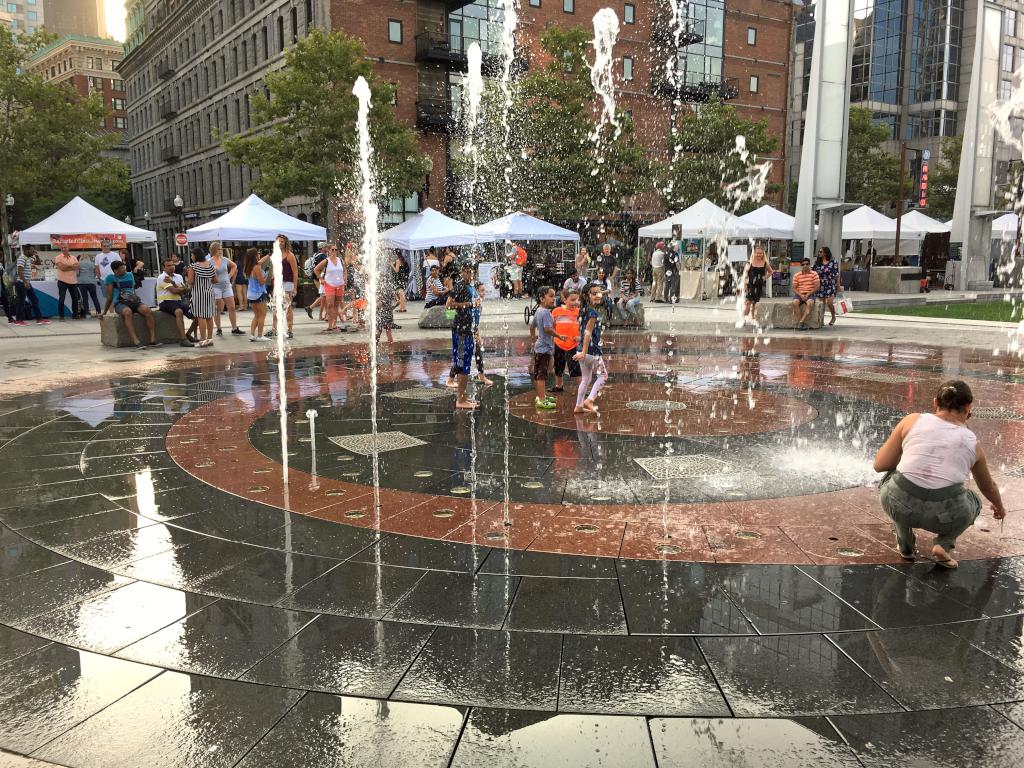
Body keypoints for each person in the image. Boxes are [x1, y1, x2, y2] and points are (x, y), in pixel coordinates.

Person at [873, 380, 1006, 569]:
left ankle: (905, 543)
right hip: (945, 515)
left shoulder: (912, 420)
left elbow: (880, 465)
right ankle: (944, 545)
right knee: (974, 501)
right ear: (968, 408)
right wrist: (999, 507)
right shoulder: (972, 442)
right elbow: (988, 487)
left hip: (900, 504)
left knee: (891, 476)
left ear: (935, 402)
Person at [101, 260, 157, 348]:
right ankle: (135, 340)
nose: (124, 269)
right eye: (122, 268)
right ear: (115, 271)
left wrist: (136, 300)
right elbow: (110, 296)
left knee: (147, 310)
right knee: (127, 312)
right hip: (119, 302)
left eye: (124, 267)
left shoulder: (130, 275)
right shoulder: (110, 278)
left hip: (132, 301)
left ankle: (153, 338)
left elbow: (132, 290)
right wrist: (104, 312)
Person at [447, 260, 478, 409]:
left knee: (465, 363)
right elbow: (449, 305)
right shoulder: (460, 285)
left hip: (465, 329)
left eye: (472, 272)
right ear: (463, 272)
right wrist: (469, 304)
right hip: (460, 331)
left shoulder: (465, 285)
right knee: (462, 363)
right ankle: (460, 400)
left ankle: (463, 397)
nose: (471, 275)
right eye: (469, 272)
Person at [574, 282, 608, 415]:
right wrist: (584, 351)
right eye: (594, 293)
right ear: (586, 296)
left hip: (583, 350)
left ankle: (578, 406)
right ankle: (590, 400)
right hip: (591, 352)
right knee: (603, 376)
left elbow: (582, 330)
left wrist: (580, 345)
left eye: (599, 292)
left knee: (586, 379)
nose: (598, 295)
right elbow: (588, 332)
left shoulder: (583, 309)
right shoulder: (593, 312)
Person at [205, 241, 244, 336]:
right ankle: (219, 328)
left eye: (221, 249)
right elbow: (207, 275)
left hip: (226, 286)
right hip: (215, 287)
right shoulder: (209, 261)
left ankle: (234, 328)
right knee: (218, 309)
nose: (221, 251)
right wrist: (214, 270)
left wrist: (229, 276)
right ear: (214, 250)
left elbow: (234, 266)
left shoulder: (224, 259)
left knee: (232, 307)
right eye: (219, 249)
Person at [156, 258, 197, 347]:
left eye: (173, 265)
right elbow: (175, 290)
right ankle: (183, 339)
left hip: (177, 301)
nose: (172, 267)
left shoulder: (178, 277)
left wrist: (175, 284)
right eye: (168, 266)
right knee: (179, 312)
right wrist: (182, 288)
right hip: (165, 302)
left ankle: (188, 334)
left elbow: (184, 291)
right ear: (164, 268)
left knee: (197, 314)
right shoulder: (162, 277)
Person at [530, 286, 558, 410]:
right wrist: (559, 336)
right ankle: (541, 400)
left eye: (554, 296)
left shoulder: (538, 310)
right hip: (545, 349)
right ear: (542, 298)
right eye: (551, 296)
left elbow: (532, 326)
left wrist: (533, 341)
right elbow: (548, 329)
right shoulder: (546, 313)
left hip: (538, 347)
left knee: (537, 374)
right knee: (542, 375)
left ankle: (540, 396)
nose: (554, 299)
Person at [551, 287, 582, 393]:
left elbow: (584, 329)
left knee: (575, 367)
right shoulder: (556, 312)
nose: (575, 302)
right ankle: (558, 385)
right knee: (558, 366)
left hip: (573, 345)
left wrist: (580, 337)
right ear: (565, 300)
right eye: (572, 300)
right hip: (559, 343)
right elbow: (552, 327)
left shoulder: (579, 312)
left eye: (577, 300)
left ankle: (580, 388)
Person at [267, 234, 298, 339]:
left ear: (285, 243)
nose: (280, 243)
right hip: (277, 283)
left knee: (288, 307)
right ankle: (274, 329)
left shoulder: (290, 255)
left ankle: (289, 330)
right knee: (275, 307)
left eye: (282, 241)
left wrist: (295, 287)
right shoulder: (275, 254)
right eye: (278, 241)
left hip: (287, 283)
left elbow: (295, 272)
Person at [187, 245, 218, 347]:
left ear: (195, 255)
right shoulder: (210, 266)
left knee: (201, 317)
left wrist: (188, 277)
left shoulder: (193, 267)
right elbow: (215, 280)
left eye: (192, 255)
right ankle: (210, 339)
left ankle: (203, 339)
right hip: (209, 293)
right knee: (209, 316)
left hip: (198, 294)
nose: (191, 257)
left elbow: (191, 281)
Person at [314, 243, 346, 332]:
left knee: (336, 305)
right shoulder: (326, 261)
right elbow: (316, 269)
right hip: (329, 285)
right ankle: (330, 325)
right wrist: (321, 279)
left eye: (336, 250)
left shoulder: (340, 260)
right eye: (332, 249)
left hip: (340, 284)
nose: (334, 251)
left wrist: (345, 279)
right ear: (329, 250)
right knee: (329, 304)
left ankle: (335, 324)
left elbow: (344, 270)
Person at [244, 247, 271, 341]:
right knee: (262, 315)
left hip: (251, 294)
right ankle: (260, 336)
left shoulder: (249, 266)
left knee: (256, 315)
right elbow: (262, 282)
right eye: (258, 253)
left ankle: (252, 335)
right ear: (255, 256)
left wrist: (268, 255)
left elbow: (261, 261)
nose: (259, 255)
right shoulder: (257, 267)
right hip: (259, 293)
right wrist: (267, 272)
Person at [15, 247, 47, 324]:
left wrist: (37, 255)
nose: (33, 251)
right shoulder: (22, 258)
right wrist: (25, 282)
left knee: (34, 300)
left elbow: (38, 263)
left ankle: (39, 319)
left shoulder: (28, 258)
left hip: (27, 283)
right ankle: (19, 320)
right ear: (26, 250)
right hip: (22, 283)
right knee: (21, 302)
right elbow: (19, 271)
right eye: (32, 250)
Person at [743, 244, 773, 323]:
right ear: (754, 253)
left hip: (758, 285)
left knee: (754, 303)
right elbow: (745, 275)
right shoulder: (749, 262)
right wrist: (745, 285)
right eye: (757, 253)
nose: (759, 255)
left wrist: (764, 278)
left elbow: (771, 272)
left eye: (760, 253)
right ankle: (744, 318)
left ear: (763, 254)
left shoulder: (765, 263)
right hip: (750, 285)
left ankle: (753, 319)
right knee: (748, 302)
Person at [791, 257, 820, 330]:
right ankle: (801, 323)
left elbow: (817, 287)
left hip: (810, 293)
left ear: (809, 265)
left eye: (807, 264)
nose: (805, 266)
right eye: (803, 264)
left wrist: (808, 294)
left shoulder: (814, 274)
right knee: (795, 302)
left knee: (809, 303)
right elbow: (794, 288)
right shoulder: (797, 275)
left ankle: (801, 322)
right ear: (801, 265)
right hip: (800, 294)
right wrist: (801, 295)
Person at [814, 246, 839, 326]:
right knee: (822, 303)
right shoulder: (817, 262)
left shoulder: (833, 262)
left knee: (829, 302)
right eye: (819, 252)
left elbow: (837, 274)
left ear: (825, 253)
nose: (819, 253)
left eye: (821, 252)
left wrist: (838, 284)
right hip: (820, 284)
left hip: (830, 284)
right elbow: (813, 272)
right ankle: (821, 319)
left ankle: (833, 316)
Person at [54, 245, 81, 321]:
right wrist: (72, 266)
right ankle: (61, 316)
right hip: (62, 281)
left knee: (75, 299)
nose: (63, 249)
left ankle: (75, 315)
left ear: (68, 248)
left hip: (73, 281)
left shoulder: (73, 257)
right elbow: (62, 268)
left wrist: (67, 266)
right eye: (62, 247)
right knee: (62, 299)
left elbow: (77, 267)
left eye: (65, 247)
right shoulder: (58, 257)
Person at [76, 252, 100, 318]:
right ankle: (99, 312)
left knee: (85, 298)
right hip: (91, 282)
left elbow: (77, 273)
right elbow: (95, 273)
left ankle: (87, 314)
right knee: (94, 298)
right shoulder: (92, 264)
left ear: (81, 258)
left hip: (82, 283)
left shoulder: (78, 264)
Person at [232, 246, 249, 312]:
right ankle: (245, 306)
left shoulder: (237, 262)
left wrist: (233, 281)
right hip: (245, 278)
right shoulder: (245, 262)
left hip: (239, 277)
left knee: (239, 293)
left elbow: (236, 272)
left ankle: (241, 306)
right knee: (244, 292)